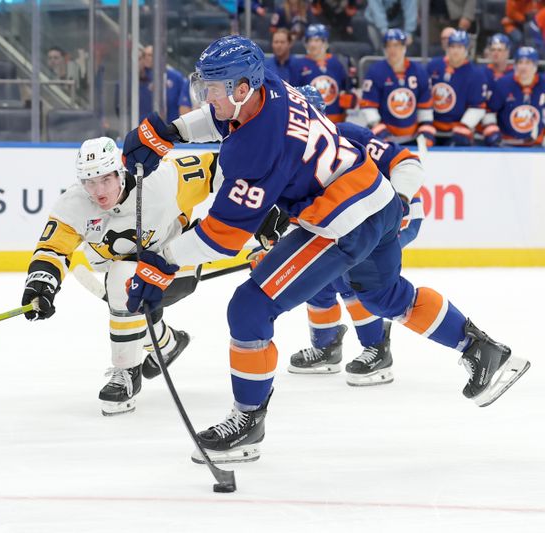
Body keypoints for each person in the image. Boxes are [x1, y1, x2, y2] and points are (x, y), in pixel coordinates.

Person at [121, 35, 530, 464]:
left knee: (249, 308)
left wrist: (162, 259)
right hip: (379, 201)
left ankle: (247, 421)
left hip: (341, 224)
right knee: (384, 296)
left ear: (243, 89)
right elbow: (221, 120)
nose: (206, 97)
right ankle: (481, 349)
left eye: (214, 89)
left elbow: (223, 236)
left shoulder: (254, 149)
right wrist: (173, 132)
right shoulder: (270, 86)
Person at [20, 137, 220, 416]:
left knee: (122, 277)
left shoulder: (161, 182)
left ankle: (126, 374)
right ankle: (167, 342)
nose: (98, 191)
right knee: (127, 293)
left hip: (175, 266)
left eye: (104, 179)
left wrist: (262, 212)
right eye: (89, 182)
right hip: (131, 282)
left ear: (120, 171)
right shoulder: (75, 204)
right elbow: (53, 248)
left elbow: (220, 167)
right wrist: (41, 285)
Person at [284, 85, 424, 386]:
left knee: (350, 274)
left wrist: (401, 197)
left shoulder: (347, 135)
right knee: (316, 273)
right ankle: (326, 347)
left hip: (391, 215)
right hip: (351, 222)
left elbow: (405, 161)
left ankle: (376, 349)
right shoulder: (291, 151)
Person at [360, 28, 435, 145]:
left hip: (413, 135)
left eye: (397, 45)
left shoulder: (419, 71)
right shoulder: (375, 72)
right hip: (384, 136)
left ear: (404, 47)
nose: (392, 50)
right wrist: (379, 129)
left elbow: (424, 105)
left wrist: (425, 129)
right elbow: (368, 106)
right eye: (389, 46)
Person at [427, 30, 488, 145]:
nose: (455, 50)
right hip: (432, 127)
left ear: (466, 49)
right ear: (447, 48)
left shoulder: (476, 74)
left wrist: (464, 125)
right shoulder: (433, 66)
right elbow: (423, 96)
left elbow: (478, 106)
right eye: (452, 46)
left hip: (458, 130)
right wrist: (424, 122)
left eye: (459, 47)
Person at [289, 23, 356, 123]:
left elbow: (348, 91)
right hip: (311, 121)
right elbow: (293, 96)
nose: (312, 44)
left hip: (337, 122)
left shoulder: (338, 62)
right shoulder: (298, 65)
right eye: (310, 40)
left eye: (316, 40)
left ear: (325, 42)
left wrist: (348, 98)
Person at [483, 46, 545, 147]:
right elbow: (490, 110)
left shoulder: (543, 84)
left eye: (528, 63)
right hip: (506, 145)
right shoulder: (503, 83)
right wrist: (492, 129)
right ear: (515, 65)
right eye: (520, 62)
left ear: (535, 66)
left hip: (538, 145)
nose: (523, 67)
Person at [138, 45, 192, 123]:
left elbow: (183, 103)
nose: (146, 57)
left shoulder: (176, 77)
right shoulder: (141, 77)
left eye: (150, 55)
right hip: (145, 125)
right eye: (144, 55)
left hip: (171, 124)